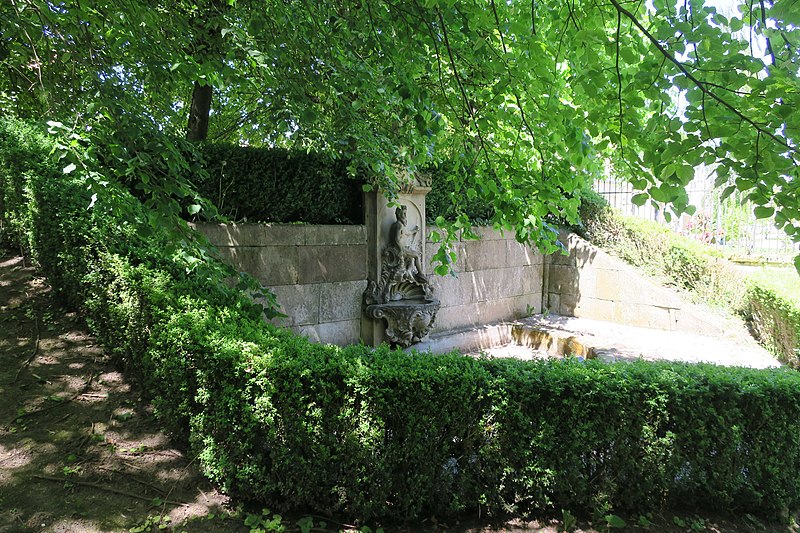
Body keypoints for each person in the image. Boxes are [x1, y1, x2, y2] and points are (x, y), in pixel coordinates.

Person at [387, 205, 426, 283]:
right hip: (400, 249)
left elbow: (406, 233)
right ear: (399, 215)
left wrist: (414, 231)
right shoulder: (399, 225)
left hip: (399, 248)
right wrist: (401, 250)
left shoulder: (397, 225)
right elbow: (397, 239)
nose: (405, 216)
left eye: (405, 213)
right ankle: (420, 275)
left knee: (412, 256)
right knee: (417, 256)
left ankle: (409, 272)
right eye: (404, 213)